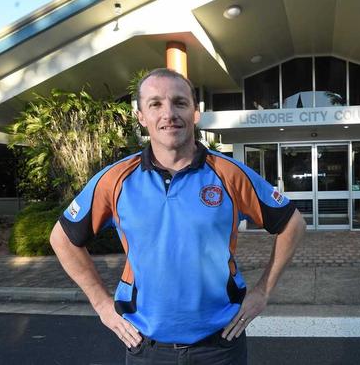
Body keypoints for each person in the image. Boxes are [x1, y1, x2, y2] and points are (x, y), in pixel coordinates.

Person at [49, 68, 306, 364]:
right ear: (141, 116)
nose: (169, 113)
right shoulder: (115, 180)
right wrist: (102, 304)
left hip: (220, 344)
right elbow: (63, 238)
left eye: (180, 103)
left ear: (195, 113)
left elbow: (292, 224)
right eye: (155, 104)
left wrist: (262, 292)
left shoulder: (229, 174)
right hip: (146, 345)